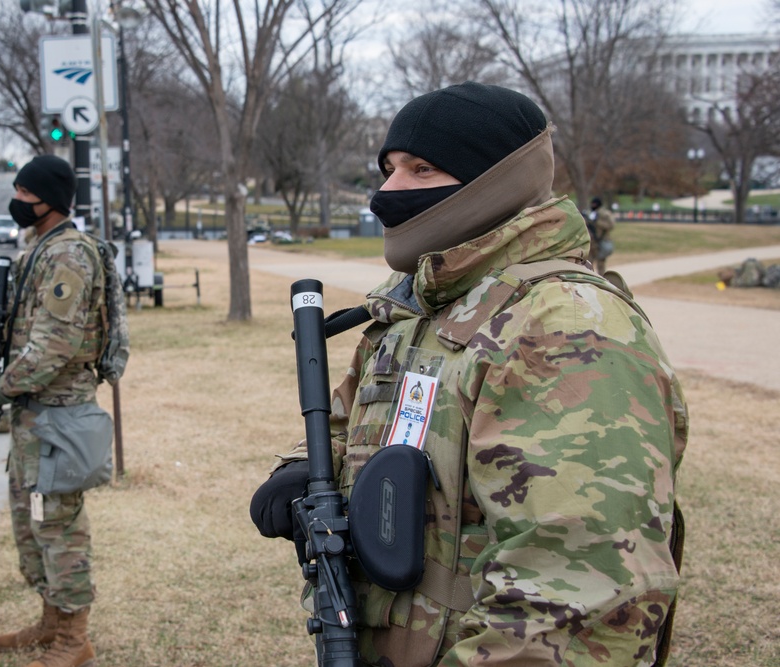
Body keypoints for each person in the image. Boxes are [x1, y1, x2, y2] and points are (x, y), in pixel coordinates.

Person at [251, 82, 687, 666]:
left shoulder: (564, 326)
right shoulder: (416, 308)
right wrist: (306, 470)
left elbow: (580, 594)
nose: (387, 193)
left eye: (421, 169)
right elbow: (355, 422)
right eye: (388, 168)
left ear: (496, 182)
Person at [0, 154, 110, 667]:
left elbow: (53, 347)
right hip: (35, 415)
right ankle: (51, 621)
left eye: (26, 195)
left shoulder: (68, 256)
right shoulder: (40, 247)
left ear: (50, 198)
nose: (18, 202)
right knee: (31, 522)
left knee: (59, 524)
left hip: (59, 413)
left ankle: (76, 639)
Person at [586, 196, 616, 274]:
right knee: (588, 263)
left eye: (594, 204)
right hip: (592, 242)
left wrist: (597, 222)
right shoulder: (590, 213)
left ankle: (601, 281)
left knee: (601, 264)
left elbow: (611, 225)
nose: (592, 205)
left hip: (601, 241)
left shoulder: (605, 214)